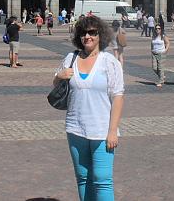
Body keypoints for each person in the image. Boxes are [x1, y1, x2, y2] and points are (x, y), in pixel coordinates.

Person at [53, 15, 124, 201]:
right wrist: (60, 76)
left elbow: (118, 96)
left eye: (92, 32)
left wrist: (112, 131)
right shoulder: (71, 58)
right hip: (75, 128)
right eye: (83, 33)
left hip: (102, 131)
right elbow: (56, 83)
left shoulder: (109, 62)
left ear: (100, 35)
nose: (87, 36)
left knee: (102, 179)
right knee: (83, 178)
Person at [150, 23, 169, 88]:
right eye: (156, 28)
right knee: (154, 68)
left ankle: (161, 81)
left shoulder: (163, 36)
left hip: (161, 53)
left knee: (160, 68)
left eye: (159, 28)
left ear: (161, 29)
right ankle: (162, 76)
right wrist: (152, 50)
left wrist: (165, 50)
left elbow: (168, 43)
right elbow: (152, 44)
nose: (157, 30)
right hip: (154, 53)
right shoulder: (154, 36)